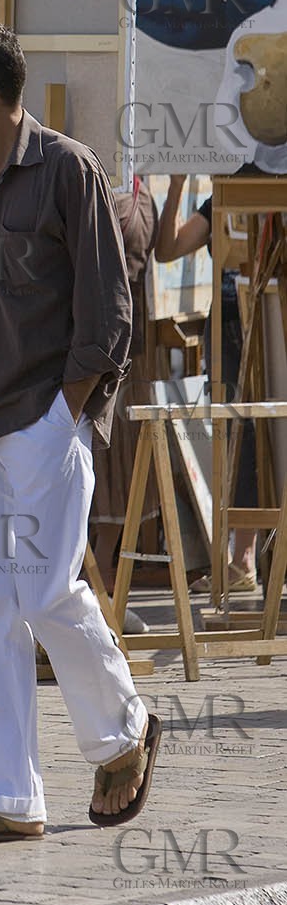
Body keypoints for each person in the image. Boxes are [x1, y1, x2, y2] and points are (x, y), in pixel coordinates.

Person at [0, 21, 160, 846]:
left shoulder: (67, 170)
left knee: (46, 589)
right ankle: (6, 799)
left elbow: (108, 312)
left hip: (43, 419)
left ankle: (121, 732)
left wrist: (66, 412)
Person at [155, 175, 258, 592]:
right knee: (237, 433)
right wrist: (178, 184)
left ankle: (250, 557)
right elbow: (168, 249)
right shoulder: (223, 194)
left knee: (264, 430)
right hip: (228, 321)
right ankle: (244, 557)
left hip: (268, 316)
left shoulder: (268, 187)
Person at [90, 179, 161, 588]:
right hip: (103, 347)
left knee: (113, 474)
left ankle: (102, 592)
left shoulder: (142, 194)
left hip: (120, 349)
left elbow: (163, 249)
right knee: (102, 474)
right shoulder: (110, 189)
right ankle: (99, 592)